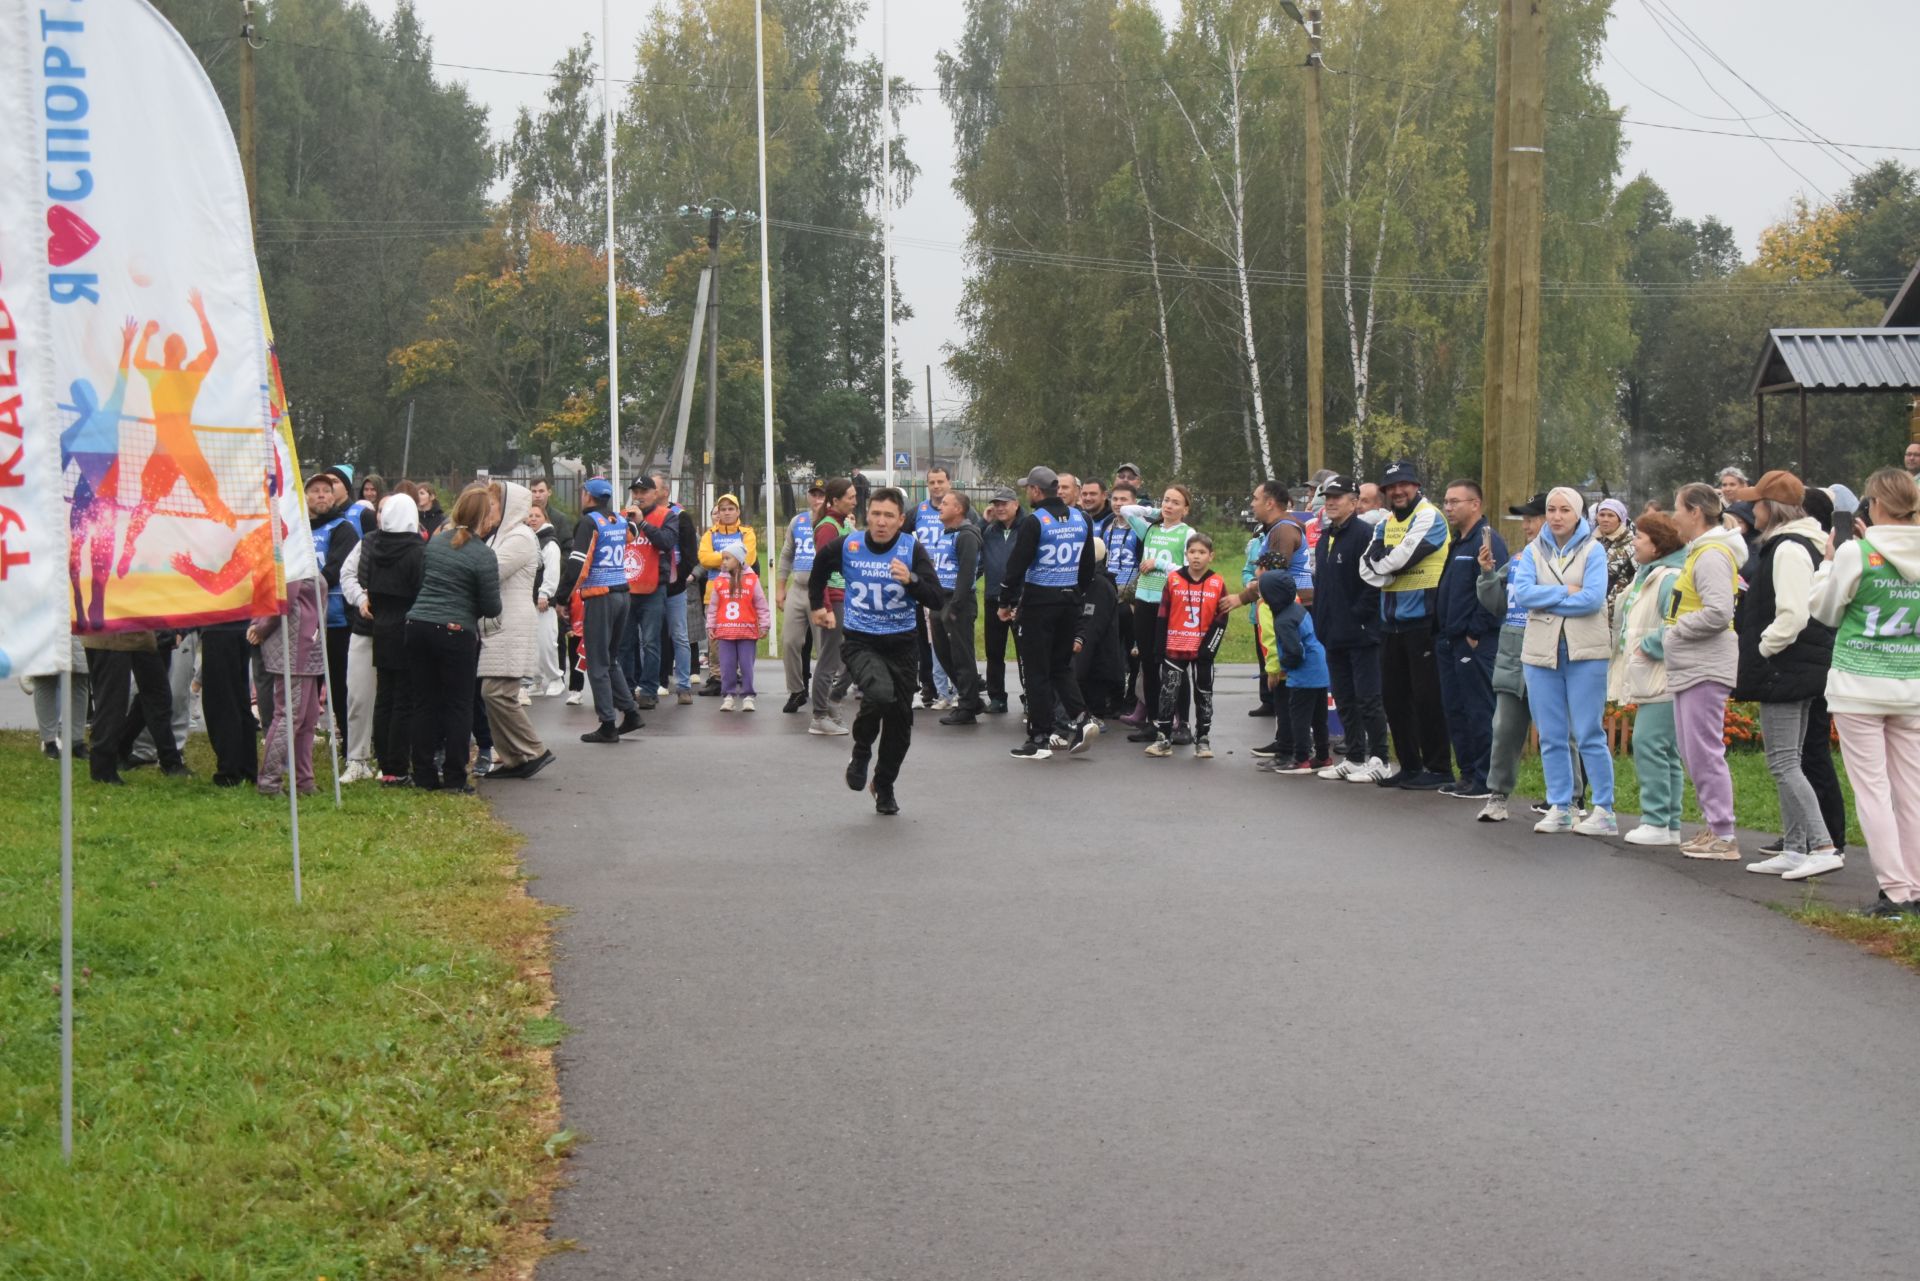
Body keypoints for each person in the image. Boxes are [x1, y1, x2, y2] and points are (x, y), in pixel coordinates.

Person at [1811, 468, 1920, 917]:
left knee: (1873, 791)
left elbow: (1825, 611)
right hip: (1911, 683)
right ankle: (1915, 886)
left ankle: (1895, 891)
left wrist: (1827, 564)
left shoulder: (1859, 551)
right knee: (1911, 791)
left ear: (1873, 505)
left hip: (1859, 684)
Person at [1725, 471, 1841, 877]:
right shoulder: (1795, 544)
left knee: (1784, 762)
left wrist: (1762, 648)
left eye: (1757, 503)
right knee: (1788, 759)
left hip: (1785, 666)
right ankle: (1795, 847)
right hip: (1798, 664)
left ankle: (1822, 845)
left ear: (1772, 508)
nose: (1750, 509)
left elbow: (1792, 614)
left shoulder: (1789, 548)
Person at [807, 487, 946, 814]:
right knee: (880, 694)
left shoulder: (911, 549)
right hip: (861, 641)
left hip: (902, 644)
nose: (881, 522)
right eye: (876, 514)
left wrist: (911, 580)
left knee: (900, 726)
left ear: (900, 520)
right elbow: (819, 567)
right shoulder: (850, 546)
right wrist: (817, 605)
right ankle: (861, 751)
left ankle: (883, 785)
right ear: (866, 516)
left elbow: (937, 598)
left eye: (889, 516)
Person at [1510, 487, 1617, 836]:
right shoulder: (1532, 552)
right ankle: (1561, 805)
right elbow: (1523, 594)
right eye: (1552, 510)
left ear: (1578, 514)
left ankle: (1603, 809)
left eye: (1564, 510)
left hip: (1585, 651)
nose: (1557, 516)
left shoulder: (1594, 550)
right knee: (1552, 735)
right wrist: (1565, 592)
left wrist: (1547, 600)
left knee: (1588, 732)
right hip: (1541, 652)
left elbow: (1590, 599)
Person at [1359, 461, 1454, 791]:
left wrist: (1385, 564)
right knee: (1394, 699)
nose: (1398, 491)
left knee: (1428, 698)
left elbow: (1400, 559)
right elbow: (1366, 571)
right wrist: (1386, 565)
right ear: (1384, 493)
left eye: (1404, 485)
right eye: (1391, 487)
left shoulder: (1430, 517)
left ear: (1417, 486)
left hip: (1424, 621)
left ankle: (1439, 767)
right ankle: (1410, 766)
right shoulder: (1384, 522)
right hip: (1391, 623)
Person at [1665, 482, 1748, 859]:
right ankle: (1714, 825)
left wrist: (1677, 629)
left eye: (1678, 508)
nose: (1674, 516)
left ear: (1696, 512)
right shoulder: (1702, 552)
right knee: (1691, 749)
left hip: (1705, 663)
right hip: (1691, 662)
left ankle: (1724, 833)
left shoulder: (1712, 554)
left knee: (1703, 750)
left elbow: (1718, 612)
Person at [405, 484, 503, 791]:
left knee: (424, 703)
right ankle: (455, 777)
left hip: (418, 625)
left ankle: (423, 774)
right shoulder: (483, 555)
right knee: (458, 706)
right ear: (485, 518)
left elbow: (423, 582)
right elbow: (491, 606)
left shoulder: (436, 543)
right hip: (455, 631)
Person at [1002, 466, 1100, 760]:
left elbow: (1017, 564)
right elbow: (1087, 565)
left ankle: (1039, 737)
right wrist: (1077, 593)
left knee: (1036, 671)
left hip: (1039, 602)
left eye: (1027, 489)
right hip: (1069, 599)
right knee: (1060, 666)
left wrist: (1005, 601)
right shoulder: (1081, 519)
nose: (1026, 493)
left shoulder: (1036, 522)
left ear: (1035, 490)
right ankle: (1082, 718)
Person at [1610, 513, 1688, 845]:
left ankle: (1656, 820)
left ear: (1656, 545)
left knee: (1648, 743)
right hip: (1653, 673)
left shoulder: (1668, 578)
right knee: (1663, 748)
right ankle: (1668, 822)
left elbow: (1677, 623)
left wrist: (1649, 646)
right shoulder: (1648, 575)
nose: (1635, 543)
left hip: (1662, 673)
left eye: (1640, 537)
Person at [1312, 475, 1393, 782]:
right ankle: (1356, 756)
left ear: (1354, 501)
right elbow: (1322, 584)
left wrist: (1360, 615)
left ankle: (1380, 758)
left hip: (1361, 633)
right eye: (1327, 497)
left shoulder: (1365, 534)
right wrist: (1322, 620)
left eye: (1338, 497)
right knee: (1344, 696)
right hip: (1333, 633)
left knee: (1368, 697)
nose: (1331, 502)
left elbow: (1375, 582)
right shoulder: (1326, 536)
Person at [554, 477, 644, 743]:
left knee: (596, 662)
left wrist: (562, 597)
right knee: (610, 659)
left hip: (600, 596)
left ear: (587, 496)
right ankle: (630, 712)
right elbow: (634, 534)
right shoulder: (617, 519)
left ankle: (607, 724)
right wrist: (635, 517)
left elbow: (577, 563)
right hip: (622, 594)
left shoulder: (589, 522)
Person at [1433, 479, 1505, 800]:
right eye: (1446, 502)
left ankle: (1484, 777)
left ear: (1475, 504)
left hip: (1473, 641)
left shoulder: (1486, 541)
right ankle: (1466, 773)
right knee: (1455, 708)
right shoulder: (1458, 542)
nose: (1448, 507)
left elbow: (1494, 589)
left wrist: (1476, 631)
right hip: (1448, 640)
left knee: (1478, 709)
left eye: (1455, 502)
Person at [477, 481, 553, 779]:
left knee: (497, 692)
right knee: (494, 692)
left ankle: (534, 751)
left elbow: (490, 571)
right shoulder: (503, 535)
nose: (489, 509)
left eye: (494, 504)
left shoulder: (520, 537)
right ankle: (514, 758)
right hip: (501, 622)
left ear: (510, 507)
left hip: (513, 622)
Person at [1474, 495, 1543, 823]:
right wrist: (1487, 574)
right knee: (1503, 729)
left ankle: (1570, 800)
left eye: (1533, 518)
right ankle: (1497, 795)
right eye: (1525, 519)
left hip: (1548, 657)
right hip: (1512, 657)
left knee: (1560, 734)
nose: (1527, 525)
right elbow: (1498, 605)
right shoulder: (1517, 559)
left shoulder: (1568, 561)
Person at [1118, 484, 1199, 743]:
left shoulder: (1187, 533)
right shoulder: (1151, 528)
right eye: (1166, 500)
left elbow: (1190, 568)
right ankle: (1153, 722)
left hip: (1170, 604)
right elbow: (1127, 510)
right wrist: (1155, 511)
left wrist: (1159, 563)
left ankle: (1183, 724)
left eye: (1176, 503)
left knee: (1173, 664)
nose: (1169, 506)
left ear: (1185, 509)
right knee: (1149, 664)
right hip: (1144, 600)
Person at [1233, 481, 1313, 734]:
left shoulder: (1283, 531)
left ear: (1270, 503)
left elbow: (1274, 579)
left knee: (1285, 676)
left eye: (1255, 498)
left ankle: (1289, 743)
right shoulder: (1275, 529)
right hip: (1288, 608)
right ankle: (1286, 741)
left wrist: (1242, 597)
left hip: (1293, 610)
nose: (1252, 503)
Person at [356, 492, 425, 785]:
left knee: (385, 697)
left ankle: (385, 764)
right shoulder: (416, 550)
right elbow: (421, 587)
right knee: (404, 700)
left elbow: (363, 580)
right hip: (407, 624)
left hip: (381, 625)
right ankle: (398, 765)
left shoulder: (374, 546)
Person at [1145, 533, 1233, 758]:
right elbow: (1162, 615)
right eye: (1192, 552)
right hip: (1175, 646)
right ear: (1186, 554)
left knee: (1204, 693)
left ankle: (1203, 739)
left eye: (1202, 553)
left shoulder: (1217, 582)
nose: (1196, 557)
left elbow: (1222, 618)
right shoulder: (1173, 579)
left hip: (1203, 649)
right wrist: (1159, 647)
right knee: (1168, 692)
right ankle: (1163, 738)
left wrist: (1209, 649)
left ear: (1211, 556)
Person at [306, 469, 361, 764]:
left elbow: (338, 567)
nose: (322, 495)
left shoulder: (343, 528)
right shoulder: (299, 529)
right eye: (315, 491)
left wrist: (308, 585)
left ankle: (350, 746)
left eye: (326, 491)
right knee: (304, 686)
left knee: (341, 687)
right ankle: (301, 742)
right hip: (305, 621)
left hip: (338, 620)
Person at [83, 628, 185, 785]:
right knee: (112, 702)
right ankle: (103, 769)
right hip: (109, 633)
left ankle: (170, 761)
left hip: (141, 632)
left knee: (158, 696)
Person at [1256, 571, 1331, 776]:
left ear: (1272, 596)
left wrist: (1284, 667)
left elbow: (1295, 651)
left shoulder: (1282, 619)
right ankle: (1323, 757)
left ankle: (1301, 759)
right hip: (1320, 669)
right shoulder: (1298, 609)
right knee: (1318, 717)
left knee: (1298, 717)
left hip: (1304, 675)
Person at [250, 584, 322, 796]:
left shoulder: (301, 553)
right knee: (289, 715)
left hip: (306, 644)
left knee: (308, 717)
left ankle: (304, 781)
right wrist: (261, 627)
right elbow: (285, 597)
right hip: (295, 642)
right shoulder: (292, 553)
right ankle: (269, 781)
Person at [618, 477, 678, 710]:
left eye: (644, 491)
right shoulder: (622, 516)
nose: (639, 496)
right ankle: (626, 689)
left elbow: (667, 542)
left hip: (654, 588)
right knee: (625, 643)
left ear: (655, 493)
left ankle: (649, 689)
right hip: (626, 588)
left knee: (651, 642)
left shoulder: (666, 515)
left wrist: (643, 524)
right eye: (636, 491)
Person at [807, 478, 859, 736]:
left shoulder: (841, 524)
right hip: (834, 600)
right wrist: (825, 607)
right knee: (829, 659)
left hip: (846, 598)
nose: (854, 500)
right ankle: (819, 716)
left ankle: (833, 701)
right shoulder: (828, 528)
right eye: (850, 496)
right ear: (835, 500)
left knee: (853, 654)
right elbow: (820, 571)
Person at [931, 489, 987, 724]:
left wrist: (954, 606)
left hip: (957, 603)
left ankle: (966, 707)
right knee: (944, 654)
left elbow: (966, 573)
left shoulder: (966, 536)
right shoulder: (945, 534)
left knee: (961, 655)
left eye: (945, 503)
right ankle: (972, 696)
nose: (940, 506)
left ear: (959, 509)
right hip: (939, 600)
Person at [907, 468, 958, 708]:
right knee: (924, 639)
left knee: (952, 639)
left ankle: (959, 687)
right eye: (932, 482)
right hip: (925, 583)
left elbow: (977, 533)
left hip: (950, 584)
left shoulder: (957, 507)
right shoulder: (919, 511)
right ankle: (929, 686)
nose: (936, 486)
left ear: (949, 483)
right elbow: (899, 532)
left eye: (940, 481)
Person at [651, 471, 700, 703]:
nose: (648, 492)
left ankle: (683, 685)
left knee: (679, 635)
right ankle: (656, 681)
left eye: (654, 487)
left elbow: (691, 554)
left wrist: (680, 578)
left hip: (674, 585)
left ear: (664, 491)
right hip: (650, 585)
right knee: (651, 636)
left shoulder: (680, 516)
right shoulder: (643, 516)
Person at [778, 481, 826, 712]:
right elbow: (787, 555)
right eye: (814, 495)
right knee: (790, 641)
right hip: (798, 587)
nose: (817, 500)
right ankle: (797, 691)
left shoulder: (835, 523)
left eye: (822, 495)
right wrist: (780, 588)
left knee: (824, 645)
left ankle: (824, 693)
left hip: (823, 589)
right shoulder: (798, 521)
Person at [707, 542, 771, 710]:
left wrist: (765, 625)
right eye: (723, 559)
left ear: (739, 559)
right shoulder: (719, 581)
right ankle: (728, 695)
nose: (724, 562)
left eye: (728, 558)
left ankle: (748, 695)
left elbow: (761, 603)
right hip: (725, 632)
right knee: (727, 666)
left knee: (746, 665)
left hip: (747, 632)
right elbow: (713, 606)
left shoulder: (751, 580)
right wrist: (710, 626)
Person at [979, 488, 1022, 715]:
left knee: (1024, 651)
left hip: (1019, 599)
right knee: (994, 652)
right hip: (994, 597)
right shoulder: (989, 531)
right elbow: (972, 541)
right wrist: (983, 520)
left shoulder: (1026, 527)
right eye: (996, 504)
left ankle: (1030, 697)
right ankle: (997, 697)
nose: (1000, 508)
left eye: (1004, 503)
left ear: (1016, 504)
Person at [530, 504, 567, 697]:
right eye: (530, 515)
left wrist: (545, 594)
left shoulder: (550, 543)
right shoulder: (529, 540)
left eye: (537, 515)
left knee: (546, 642)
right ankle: (535, 680)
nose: (533, 518)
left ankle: (555, 678)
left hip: (543, 601)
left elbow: (552, 571)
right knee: (532, 644)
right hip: (529, 600)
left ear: (545, 519)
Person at [31, 640, 90, 761]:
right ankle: (49, 741)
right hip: (45, 626)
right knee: (45, 677)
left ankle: (77, 741)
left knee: (80, 676)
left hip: (76, 626)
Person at [1593, 498, 1637, 613]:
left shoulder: (1632, 544)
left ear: (1620, 519)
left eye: (1611, 515)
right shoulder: (1589, 542)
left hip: (1618, 608)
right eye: (1602, 515)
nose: (1605, 519)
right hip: (1593, 606)